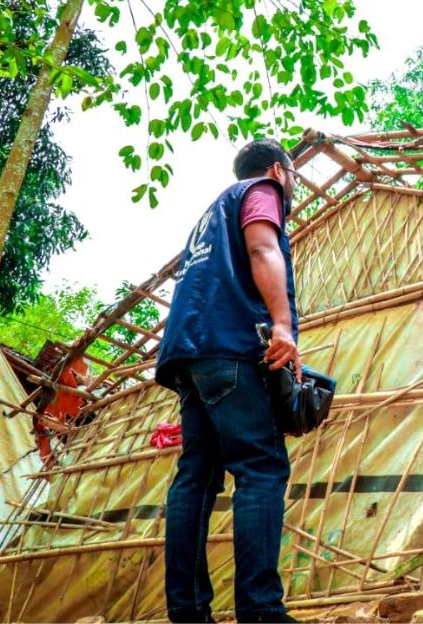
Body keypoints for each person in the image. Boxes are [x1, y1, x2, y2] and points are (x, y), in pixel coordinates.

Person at [155, 139, 301, 623]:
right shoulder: (261, 190)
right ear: (279, 170)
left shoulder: (209, 216)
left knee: (195, 479)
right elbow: (262, 246)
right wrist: (281, 324)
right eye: (291, 175)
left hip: (190, 355)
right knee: (261, 468)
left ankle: (189, 612)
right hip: (231, 347)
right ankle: (261, 612)